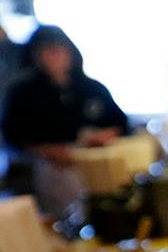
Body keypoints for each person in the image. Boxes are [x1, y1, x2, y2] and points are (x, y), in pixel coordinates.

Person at [0, 25, 127, 165]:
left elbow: (121, 124)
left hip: (95, 166)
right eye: (46, 50)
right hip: (44, 170)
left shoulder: (93, 88)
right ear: (34, 55)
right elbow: (13, 136)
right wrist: (48, 150)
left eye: (59, 50)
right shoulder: (22, 93)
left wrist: (103, 136)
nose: (54, 56)